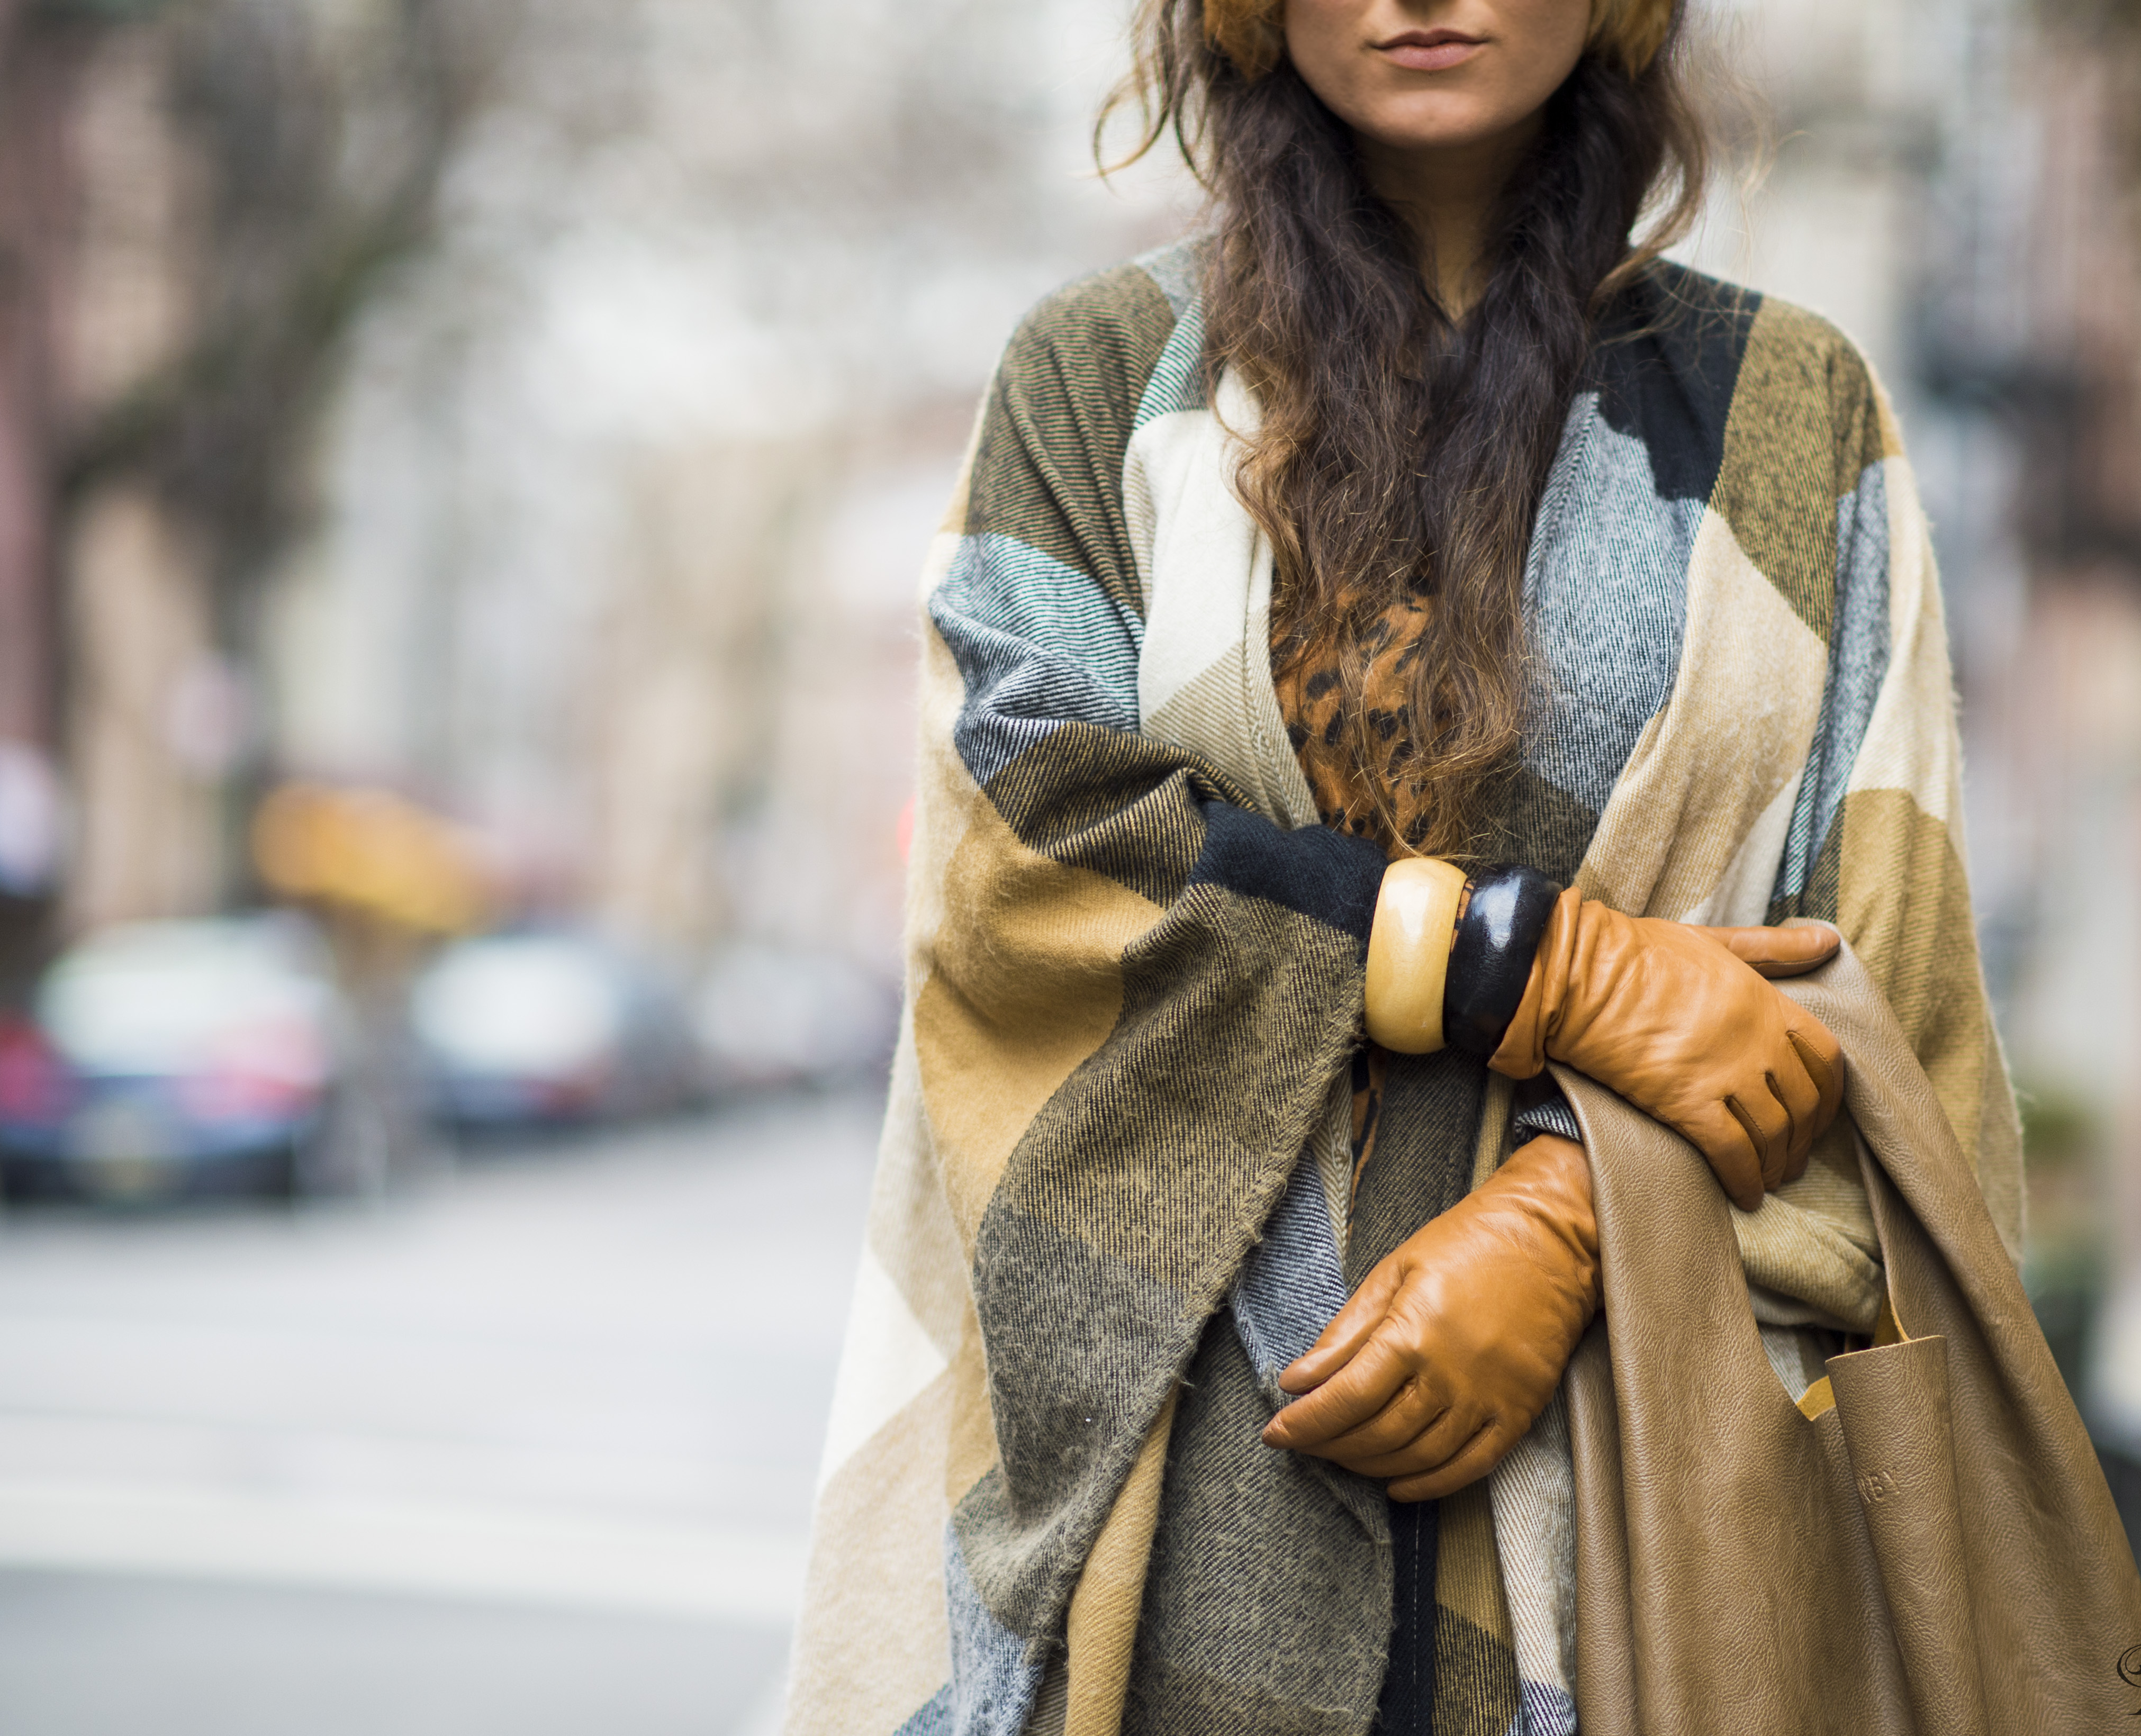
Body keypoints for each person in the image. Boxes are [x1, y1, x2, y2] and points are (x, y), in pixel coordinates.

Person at [786, 2, 2027, 1731]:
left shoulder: (1789, 411)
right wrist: (1527, 968)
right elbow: (1025, 866)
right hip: (1188, 1475)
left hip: (1655, 1512)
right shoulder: (1102, 379)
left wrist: (1579, 1220)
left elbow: (1887, 983)